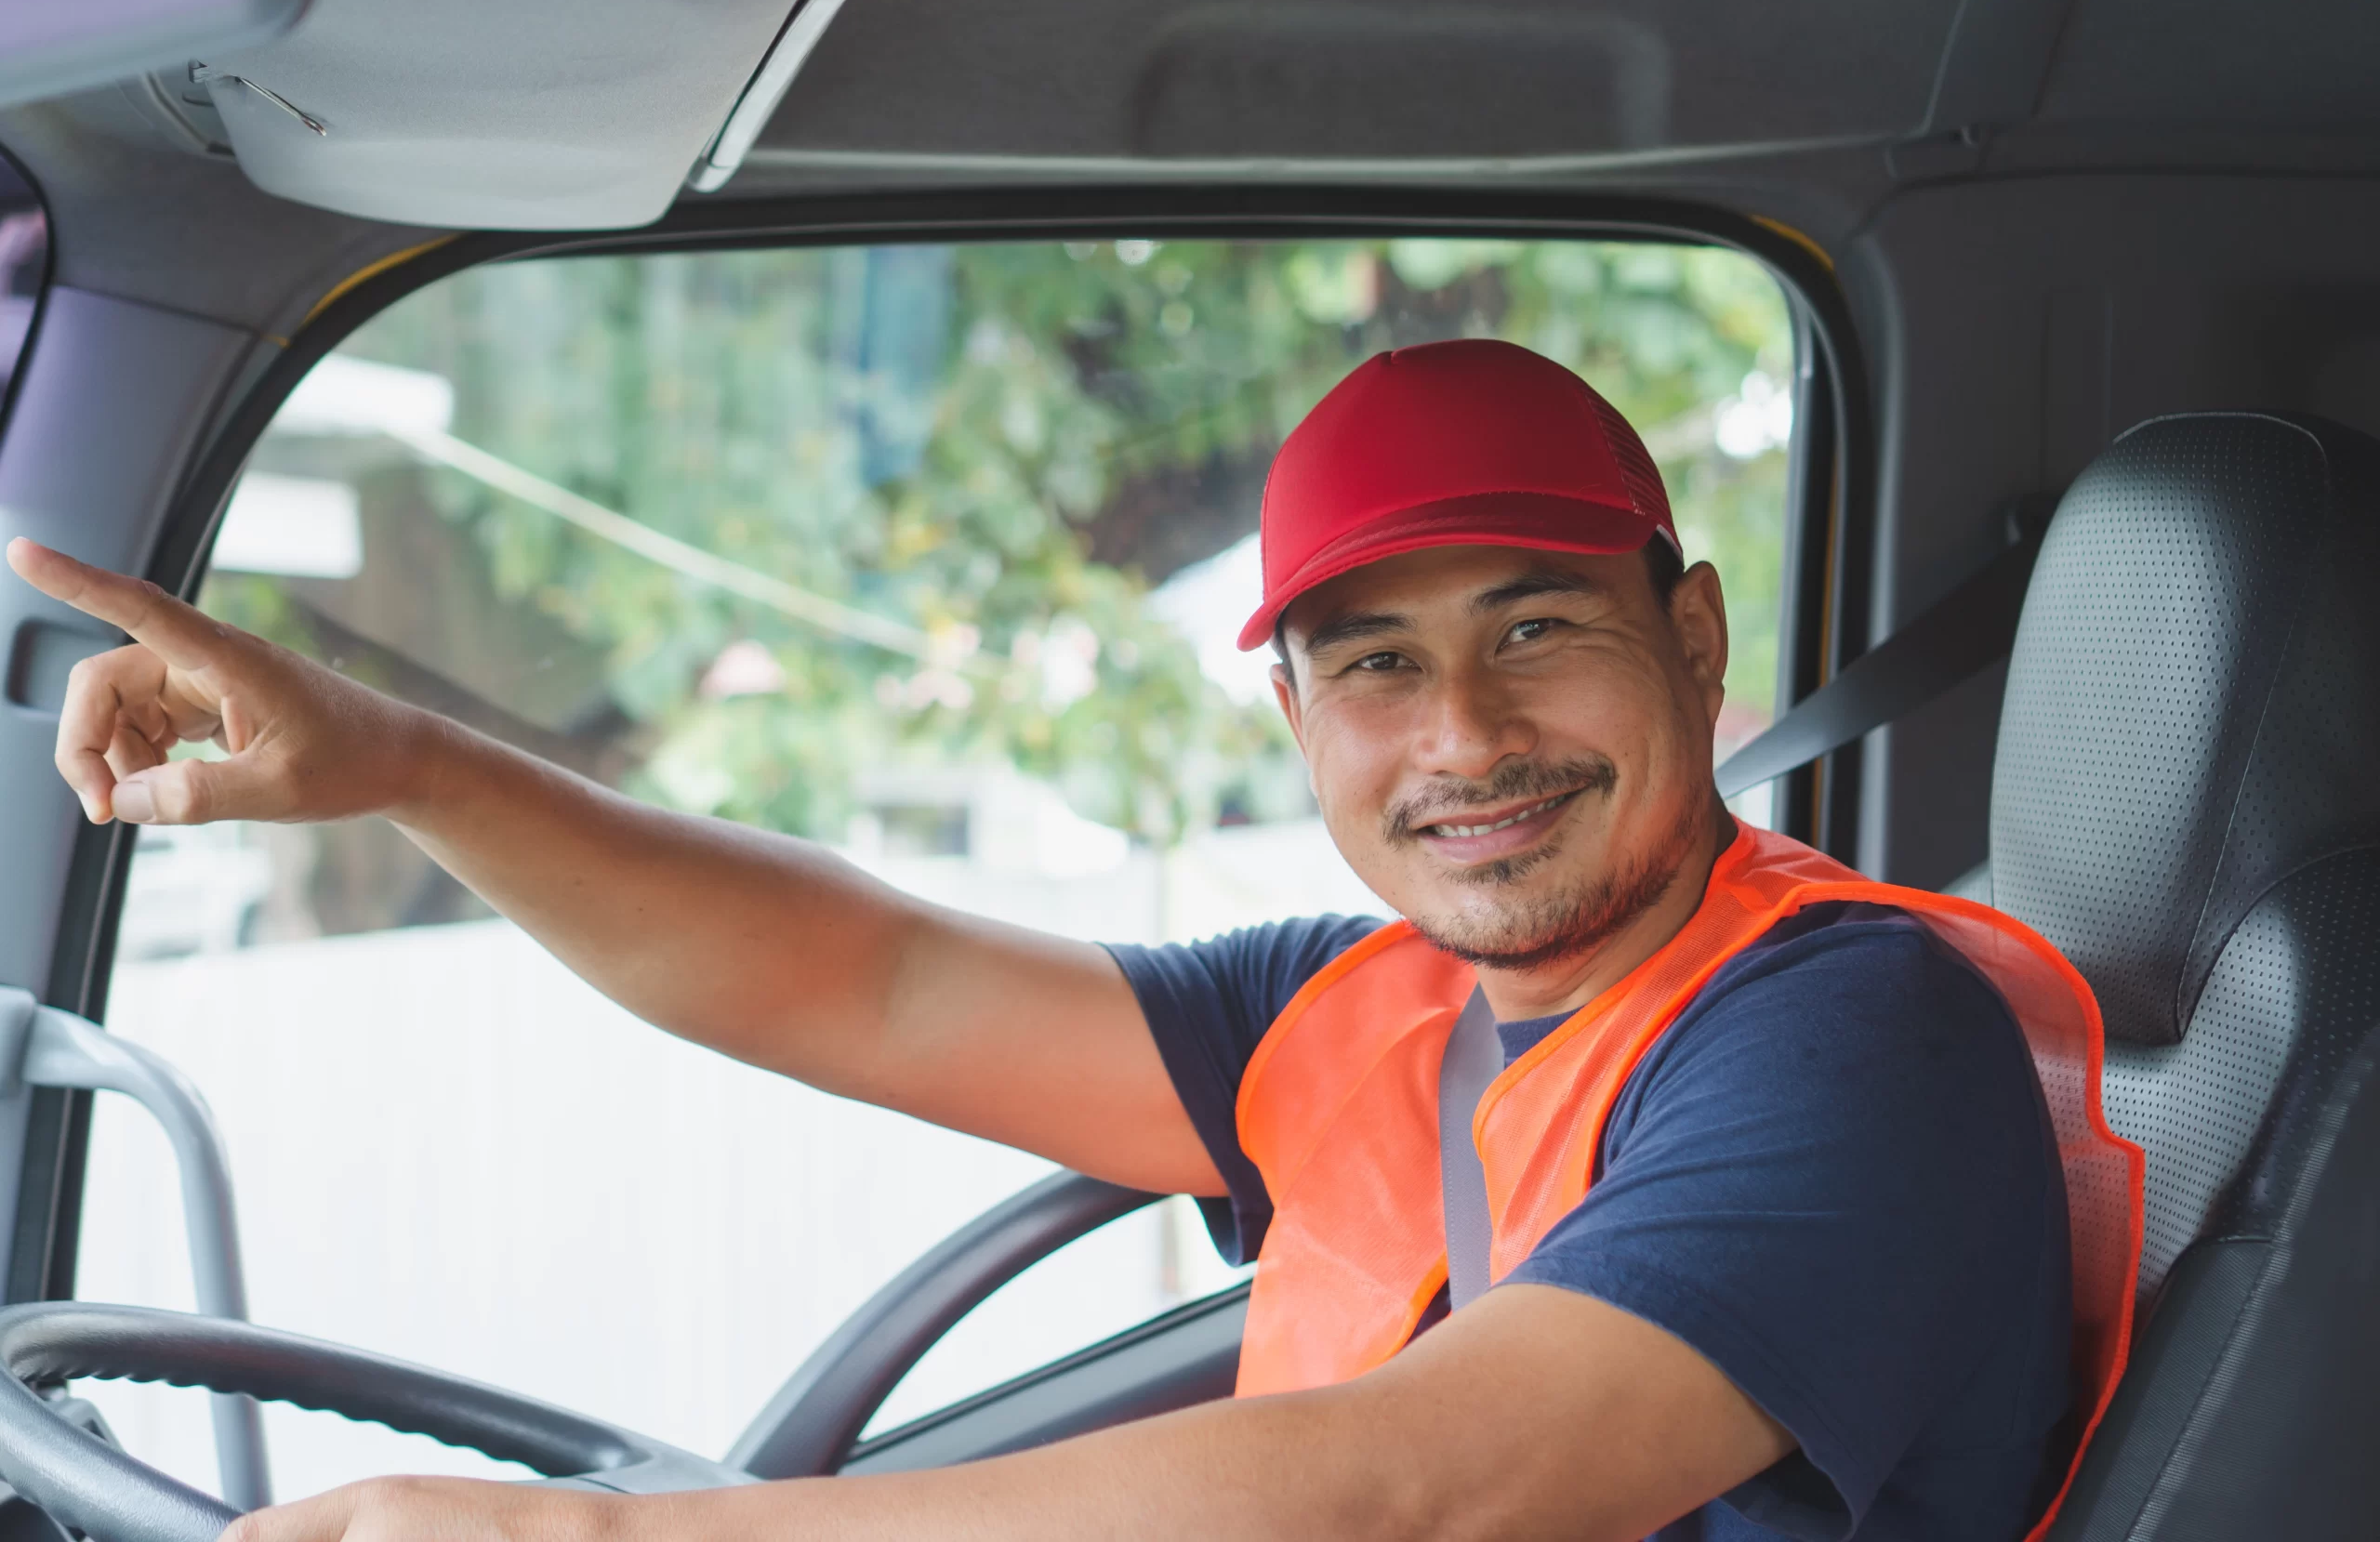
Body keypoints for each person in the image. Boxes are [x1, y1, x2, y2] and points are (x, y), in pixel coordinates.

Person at [6, 338, 2139, 1542]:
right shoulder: (1361, 1008)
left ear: (1689, 640)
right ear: (1295, 718)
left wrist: (610, 1540)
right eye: (1374, 665)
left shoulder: (1850, 1036)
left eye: (1539, 633)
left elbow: (1415, 1486)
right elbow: (858, 980)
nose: (1465, 736)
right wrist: (401, 763)